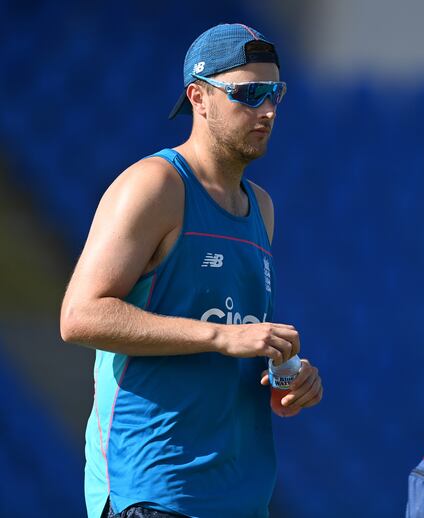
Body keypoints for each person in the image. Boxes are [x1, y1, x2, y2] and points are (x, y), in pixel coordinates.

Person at [60, 23, 323, 518]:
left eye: (275, 93)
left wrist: (286, 377)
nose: (267, 110)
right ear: (198, 97)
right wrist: (219, 338)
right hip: (156, 491)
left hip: (242, 497)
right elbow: (80, 317)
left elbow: (236, 338)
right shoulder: (154, 185)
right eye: (249, 93)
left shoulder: (261, 207)